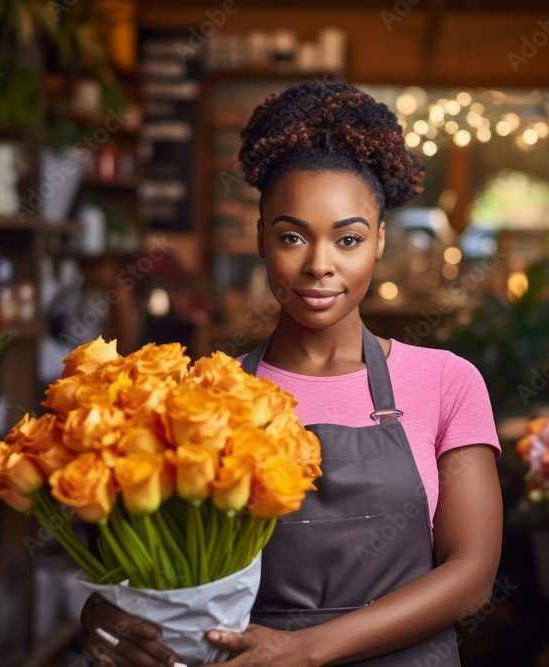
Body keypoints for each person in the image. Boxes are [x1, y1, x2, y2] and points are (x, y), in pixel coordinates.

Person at [81, 81, 503, 667]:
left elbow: (472, 574)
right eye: (291, 237)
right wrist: (106, 619)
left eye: (348, 238)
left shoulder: (447, 381)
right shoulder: (205, 394)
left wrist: (304, 651)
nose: (319, 265)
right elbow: (153, 564)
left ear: (379, 240)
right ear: (261, 239)